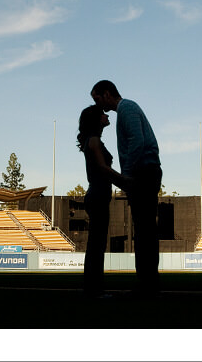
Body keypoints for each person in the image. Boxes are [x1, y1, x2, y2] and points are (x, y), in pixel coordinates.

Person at [90, 80, 162, 297]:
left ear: (106, 93)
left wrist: (127, 176)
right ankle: (149, 282)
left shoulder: (127, 108)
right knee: (144, 230)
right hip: (145, 171)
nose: (99, 106)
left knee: (143, 231)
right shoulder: (127, 109)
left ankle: (147, 284)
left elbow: (137, 141)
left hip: (143, 172)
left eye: (97, 99)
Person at [76, 104, 129, 299]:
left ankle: (93, 289)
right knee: (96, 246)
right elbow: (103, 169)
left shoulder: (93, 140)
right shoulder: (95, 141)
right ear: (97, 119)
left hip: (98, 195)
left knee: (96, 245)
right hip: (98, 195)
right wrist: (127, 182)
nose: (107, 115)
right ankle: (94, 291)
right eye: (103, 114)